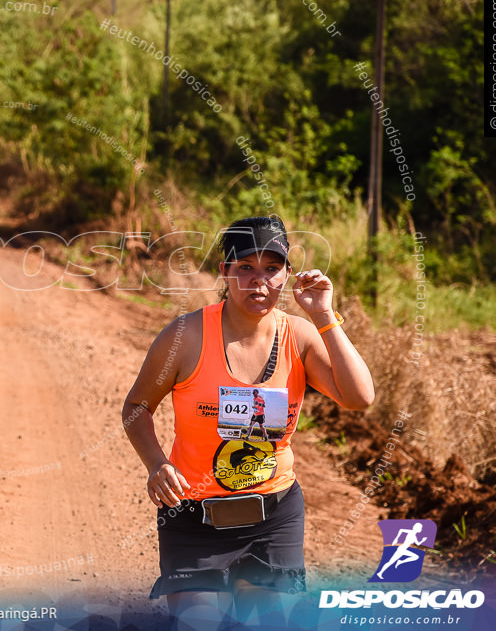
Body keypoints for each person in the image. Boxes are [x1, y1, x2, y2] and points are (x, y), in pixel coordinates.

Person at [121, 216, 374, 628]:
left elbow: (360, 398)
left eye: (272, 269)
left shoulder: (300, 336)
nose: (260, 282)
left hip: (273, 517)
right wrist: (157, 464)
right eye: (246, 268)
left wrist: (325, 315)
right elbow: (137, 406)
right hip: (192, 518)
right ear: (224, 271)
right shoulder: (185, 336)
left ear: (288, 274)